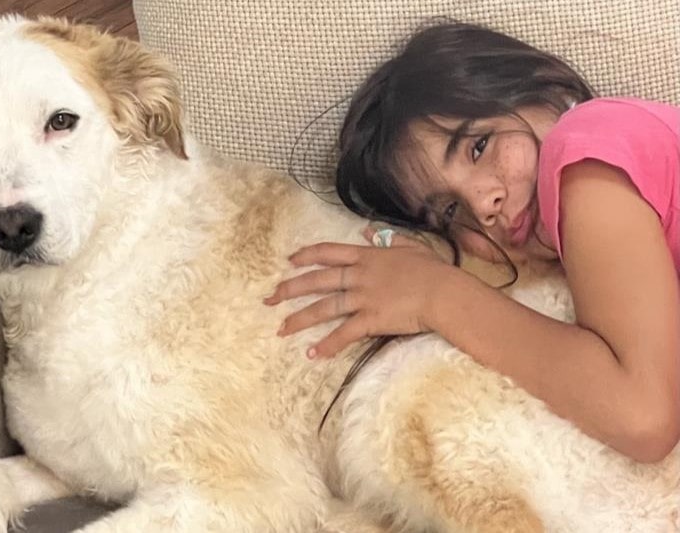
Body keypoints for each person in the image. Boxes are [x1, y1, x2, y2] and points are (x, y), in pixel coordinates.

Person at [263, 22, 680, 463]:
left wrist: (436, 294)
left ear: (544, 89)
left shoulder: (584, 148)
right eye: (448, 212)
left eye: (478, 146)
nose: (483, 205)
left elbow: (643, 417)